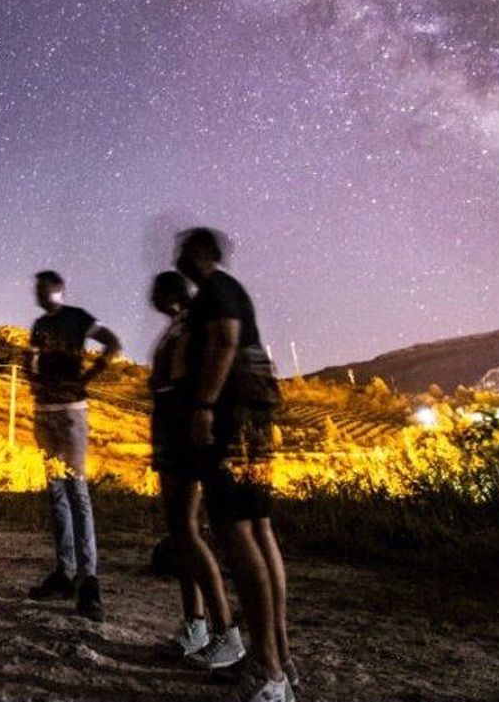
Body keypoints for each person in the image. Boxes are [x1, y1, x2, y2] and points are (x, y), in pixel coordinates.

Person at [176, 228, 295, 702]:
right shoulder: (229, 291)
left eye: (185, 250)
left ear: (202, 255)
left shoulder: (215, 292)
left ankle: (268, 673)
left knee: (237, 532)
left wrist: (204, 405)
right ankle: (278, 659)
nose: (178, 257)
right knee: (259, 531)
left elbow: (225, 340)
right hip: (254, 419)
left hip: (234, 422)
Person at [147, 270, 237, 665]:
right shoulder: (176, 328)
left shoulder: (191, 324)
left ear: (171, 293)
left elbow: (194, 375)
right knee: (180, 533)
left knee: (188, 530)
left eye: (158, 290)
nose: (152, 296)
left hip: (182, 428)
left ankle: (226, 632)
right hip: (169, 427)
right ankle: (195, 625)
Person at [24, 269, 123, 622]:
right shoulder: (38, 325)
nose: (38, 293)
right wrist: (32, 377)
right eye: (36, 289)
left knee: (77, 492)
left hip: (70, 415)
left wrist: (87, 378)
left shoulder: (78, 318)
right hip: (46, 414)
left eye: (44, 288)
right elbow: (30, 358)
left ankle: (89, 579)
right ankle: (65, 573)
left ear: (59, 289)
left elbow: (112, 342)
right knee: (56, 491)